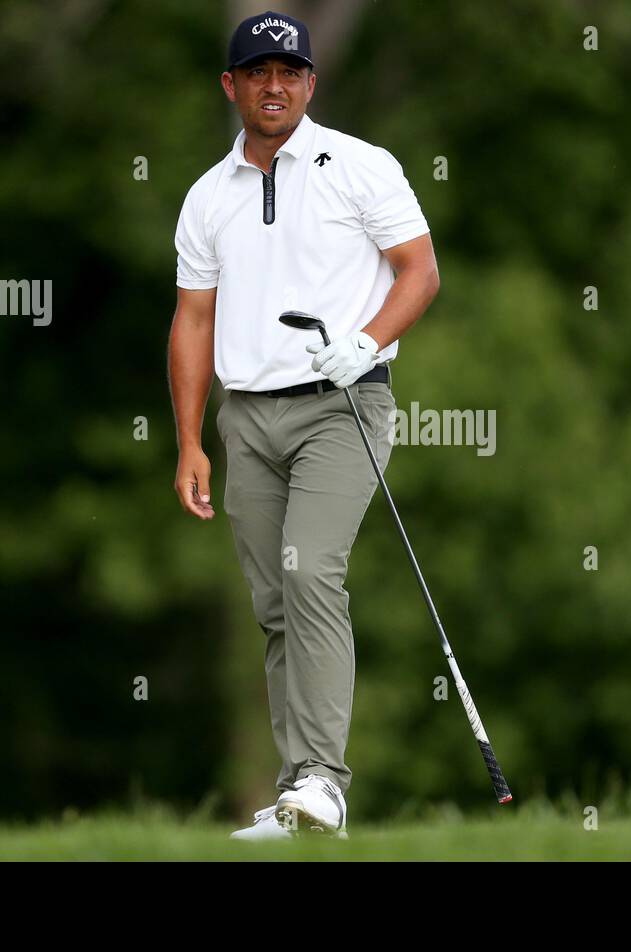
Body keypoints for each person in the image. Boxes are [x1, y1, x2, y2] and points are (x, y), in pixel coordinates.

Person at [167, 10, 440, 840]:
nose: (274, 86)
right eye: (258, 72)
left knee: (312, 571)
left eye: (289, 72)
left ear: (310, 83)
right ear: (232, 86)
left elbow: (419, 271)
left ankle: (326, 778)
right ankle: (296, 794)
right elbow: (191, 321)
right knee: (275, 602)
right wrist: (188, 440)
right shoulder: (208, 197)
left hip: (342, 405)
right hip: (244, 418)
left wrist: (366, 342)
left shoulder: (360, 166)